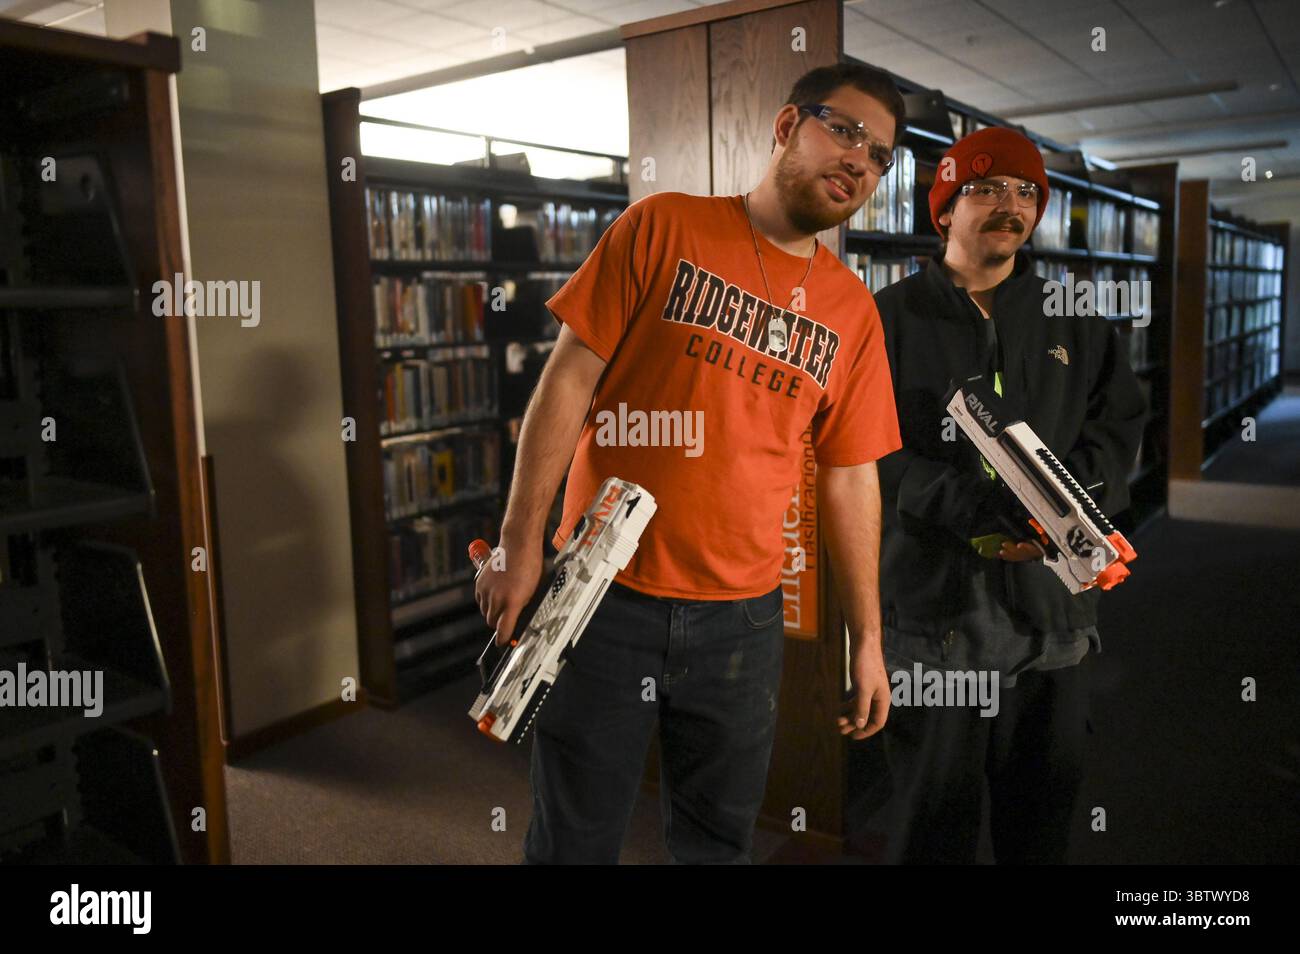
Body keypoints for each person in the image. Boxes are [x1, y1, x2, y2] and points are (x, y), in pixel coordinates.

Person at [474, 62, 906, 864]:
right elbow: (569, 376)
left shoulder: (853, 312)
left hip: (742, 620)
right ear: (786, 127)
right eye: (843, 130)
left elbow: (850, 475)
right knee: (574, 839)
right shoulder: (662, 226)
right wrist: (519, 539)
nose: (858, 160)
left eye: (878, 153)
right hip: (603, 595)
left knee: (717, 845)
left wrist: (867, 638)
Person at [868, 126, 1147, 863]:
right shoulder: (886, 318)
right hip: (935, 619)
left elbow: (1118, 425)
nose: (1009, 205)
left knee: (1040, 824)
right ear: (945, 208)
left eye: (1026, 192)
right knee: (932, 829)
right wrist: (967, 505)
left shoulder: (1076, 313)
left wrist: (1069, 505)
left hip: (1052, 621)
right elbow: (867, 451)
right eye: (985, 188)